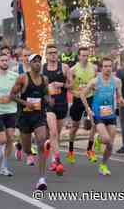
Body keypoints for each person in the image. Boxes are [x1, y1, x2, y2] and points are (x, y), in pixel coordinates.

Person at [81, 57, 124, 176]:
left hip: (110, 114)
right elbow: (82, 95)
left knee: (110, 144)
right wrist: (88, 110)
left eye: (110, 66)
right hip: (98, 114)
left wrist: (122, 100)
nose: (108, 69)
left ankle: (103, 165)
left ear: (112, 67)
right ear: (101, 68)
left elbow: (119, 96)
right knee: (106, 139)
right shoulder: (95, 81)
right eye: (105, 66)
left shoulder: (117, 81)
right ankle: (98, 139)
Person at [10, 53, 49, 190]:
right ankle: (23, 148)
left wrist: (49, 99)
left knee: (41, 141)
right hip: (25, 117)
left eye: (39, 61)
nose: (37, 63)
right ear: (30, 64)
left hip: (39, 116)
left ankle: (42, 178)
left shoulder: (44, 79)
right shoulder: (23, 78)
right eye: (35, 61)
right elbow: (12, 95)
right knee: (28, 148)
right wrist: (25, 102)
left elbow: (46, 93)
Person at [42, 44, 70, 175]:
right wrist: (46, 90)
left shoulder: (64, 67)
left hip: (62, 104)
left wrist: (62, 84)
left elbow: (71, 84)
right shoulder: (42, 69)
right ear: (46, 55)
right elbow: (38, 86)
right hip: (49, 105)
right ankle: (57, 161)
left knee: (56, 135)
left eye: (55, 52)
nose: (53, 54)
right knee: (53, 132)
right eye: (50, 53)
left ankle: (51, 151)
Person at [67, 47, 98, 164]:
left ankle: (90, 149)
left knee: (95, 123)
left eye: (87, 56)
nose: (85, 58)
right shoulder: (73, 70)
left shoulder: (94, 68)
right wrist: (79, 94)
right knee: (75, 127)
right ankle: (70, 151)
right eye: (83, 56)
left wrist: (92, 90)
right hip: (78, 100)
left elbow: (95, 84)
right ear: (79, 56)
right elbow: (70, 89)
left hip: (90, 98)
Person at [0, 53, 19, 176]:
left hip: (11, 110)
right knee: (1, 139)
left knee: (10, 139)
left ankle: (4, 166)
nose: (4, 62)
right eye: (2, 60)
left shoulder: (15, 76)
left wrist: (13, 97)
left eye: (6, 60)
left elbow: (19, 92)